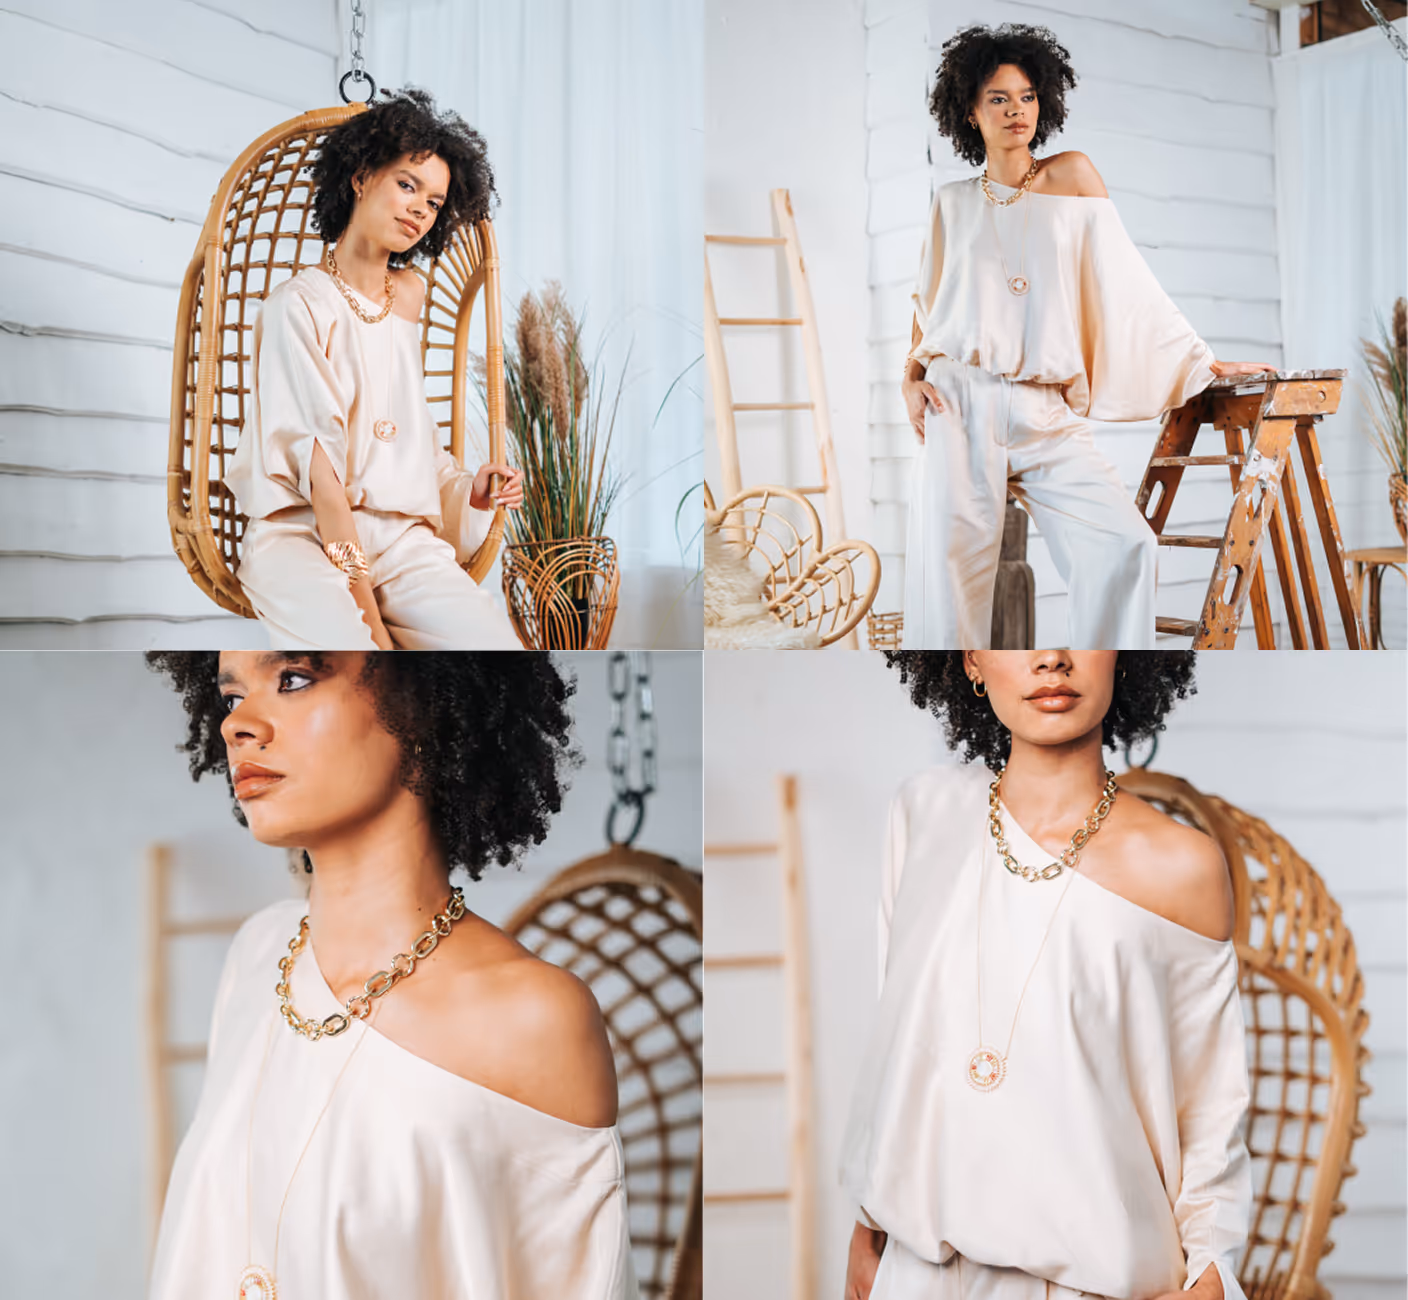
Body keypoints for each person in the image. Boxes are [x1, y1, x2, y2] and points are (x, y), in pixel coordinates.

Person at [145, 651, 639, 1299]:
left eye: (293, 679)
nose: (237, 725)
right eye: (232, 696)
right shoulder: (257, 956)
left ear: (423, 700)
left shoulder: (533, 1016)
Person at [841, 650, 1251, 1300]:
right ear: (971, 659)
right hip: (916, 1271)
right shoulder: (925, 813)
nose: (1052, 659)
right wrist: (867, 1225)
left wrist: (1210, 1276)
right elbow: (897, 1037)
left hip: (1099, 1282)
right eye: (1017, 634)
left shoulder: (1182, 866)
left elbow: (1211, 1108)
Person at [900, 25, 1276, 649]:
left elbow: (1128, 283)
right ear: (970, 109)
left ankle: (1106, 698)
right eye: (998, 98)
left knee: (1125, 545)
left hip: (1045, 409)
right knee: (948, 584)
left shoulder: (1072, 176)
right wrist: (908, 379)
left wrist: (1203, 364)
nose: (1015, 109)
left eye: (1025, 96)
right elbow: (928, 304)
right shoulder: (951, 203)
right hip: (958, 403)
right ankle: (952, 722)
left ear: (1042, 101)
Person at [226, 89, 525, 650]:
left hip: (404, 542)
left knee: (497, 655)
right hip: (307, 536)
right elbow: (323, 482)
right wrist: (371, 624)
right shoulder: (299, 305)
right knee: (362, 662)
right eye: (407, 185)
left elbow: (409, 445)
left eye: (434, 202)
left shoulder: (409, 297)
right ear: (361, 177)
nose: (419, 209)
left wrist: (474, 493)